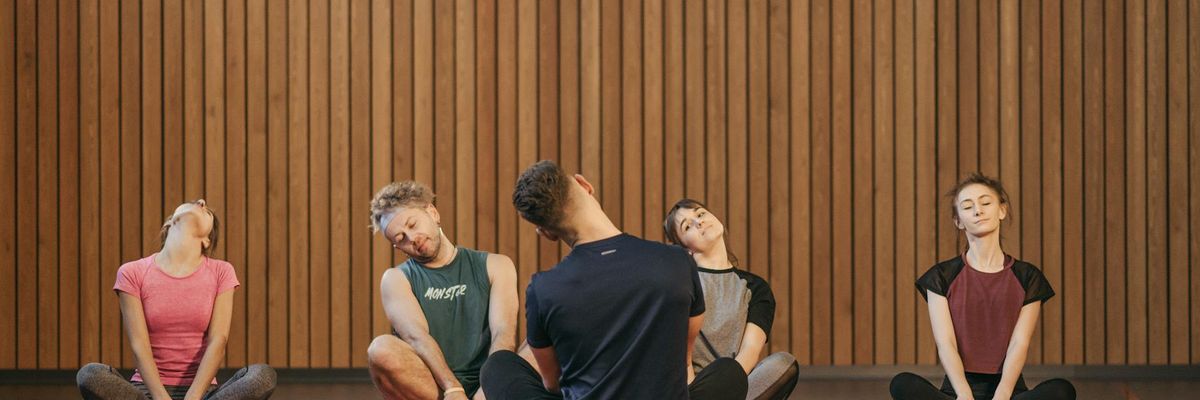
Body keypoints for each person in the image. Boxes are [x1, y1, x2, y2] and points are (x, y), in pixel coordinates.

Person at [480, 160, 748, 400]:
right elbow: (682, 359)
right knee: (729, 373)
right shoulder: (676, 260)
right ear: (584, 185)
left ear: (546, 233)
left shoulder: (543, 289)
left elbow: (553, 384)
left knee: (497, 367)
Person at [889, 174, 1076, 400]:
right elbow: (946, 343)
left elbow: (1019, 343)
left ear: (1002, 210)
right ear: (958, 221)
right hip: (957, 391)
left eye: (986, 203)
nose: (978, 211)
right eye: (968, 207)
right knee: (902, 383)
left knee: (1062, 390)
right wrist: (964, 394)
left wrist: (1003, 394)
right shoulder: (941, 276)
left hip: (1008, 390)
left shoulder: (1027, 276)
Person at [76, 199, 276, 400]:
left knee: (262, 376)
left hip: (202, 393)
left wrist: (193, 397)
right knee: (90, 374)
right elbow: (139, 345)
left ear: (206, 240)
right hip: (147, 392)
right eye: (194, 204)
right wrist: (161, 398)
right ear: (170, 223)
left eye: (206, 211)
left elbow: (218, 340)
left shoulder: (221, 271)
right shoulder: (132, 272)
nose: (201, 201)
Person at [366, 181, 519, 400]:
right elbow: (416, 336)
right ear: (398, 248)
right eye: (401, 239)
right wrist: (453, 389)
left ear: (432, 213)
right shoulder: (396, 279)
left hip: (490, 382)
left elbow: (503, 333)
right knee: (380, 349)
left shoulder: (497, 265)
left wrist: (488, 388)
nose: (412, 238)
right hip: (436, 386)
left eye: (412, 224)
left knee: (537, 343)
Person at [663, 198, 799, 400]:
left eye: (700, 214)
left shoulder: (755, 287)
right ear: (685, 249)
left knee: (782, 363)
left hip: (736, 382)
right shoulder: (680, 283)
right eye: (687, 226)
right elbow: (681, 355)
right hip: (691, 389)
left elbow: (750, 350)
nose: (699, 222)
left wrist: (729, 386)